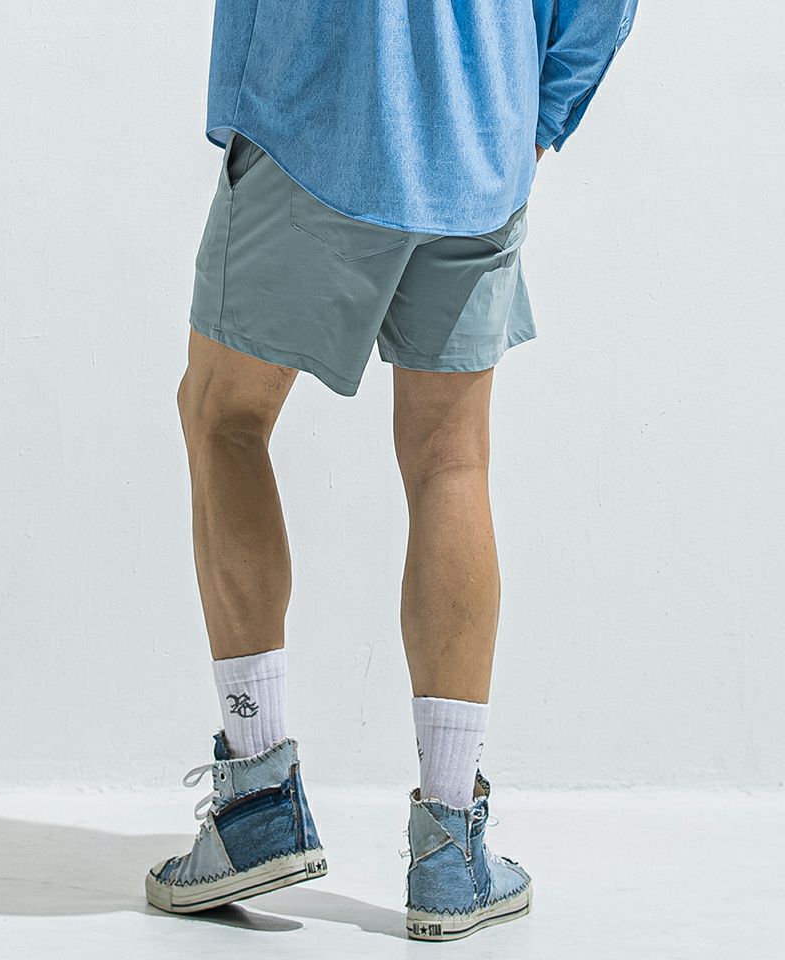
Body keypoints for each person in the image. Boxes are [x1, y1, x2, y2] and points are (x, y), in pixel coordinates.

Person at [144, 0, 638, 941]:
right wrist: (536, 115)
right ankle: (450, 845)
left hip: (316, 119)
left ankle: (257, 801)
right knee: (452, 461)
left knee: (224, 416)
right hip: (481, 140)